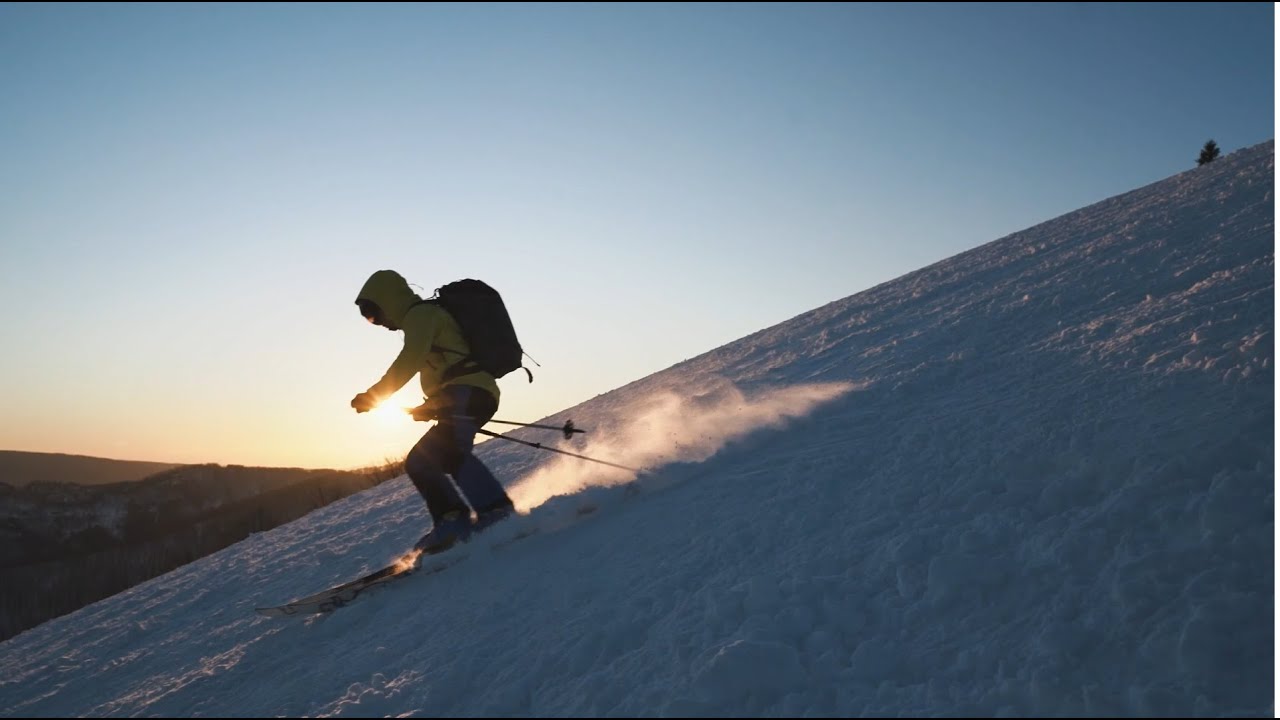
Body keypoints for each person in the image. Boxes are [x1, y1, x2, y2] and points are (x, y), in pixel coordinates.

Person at [350, 269, 515, 554]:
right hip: (464, 394)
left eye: (373, 314)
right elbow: (446, 366)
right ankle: (453, 520)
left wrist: (374, 396)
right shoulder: (423, 319)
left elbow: (409, 361)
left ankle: (496, 512)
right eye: (368, 319)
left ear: (389, 302)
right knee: (420, 461)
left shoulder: (421, 315)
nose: (375, 323)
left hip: (470, 392)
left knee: (449, 452)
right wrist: (431, 406)